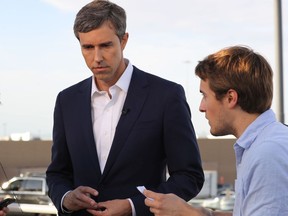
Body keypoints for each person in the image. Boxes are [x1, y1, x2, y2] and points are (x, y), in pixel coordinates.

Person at [46, 0, 204, 215]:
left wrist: (133, 206)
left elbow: (189, 176)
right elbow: (57, 173)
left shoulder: (166, 96)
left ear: (124, 40)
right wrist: (66, 198)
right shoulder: (67, 100)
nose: (97, 57)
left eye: (106, 45)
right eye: (88, 47)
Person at [143, 45, 288, 216]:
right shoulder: (262, 144)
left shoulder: (267, 153)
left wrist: (188, 213)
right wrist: (202, 213)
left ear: (231, 98)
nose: (201, 107)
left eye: (205, 95)